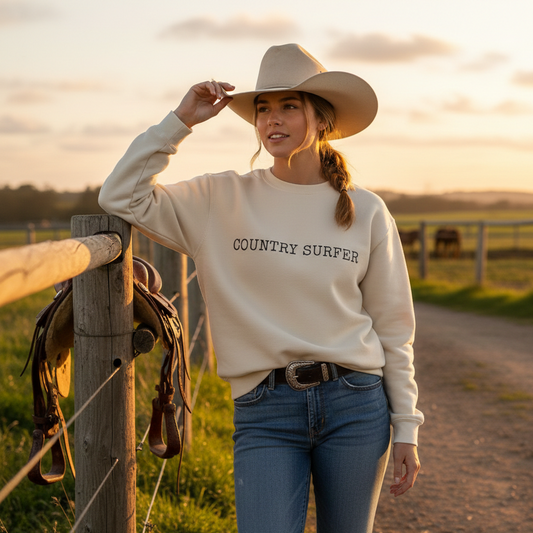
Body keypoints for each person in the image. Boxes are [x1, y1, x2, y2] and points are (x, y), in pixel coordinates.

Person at [99, 43, 424, 533]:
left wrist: (407, 426)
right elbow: (120, 194)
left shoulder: (367, 211)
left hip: (356, 404)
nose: (273, 119)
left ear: (321, 119)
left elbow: (393, 329)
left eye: (289, 106)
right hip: (264, 410)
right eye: (263, 109)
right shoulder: (219, 198)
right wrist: (181, 120)